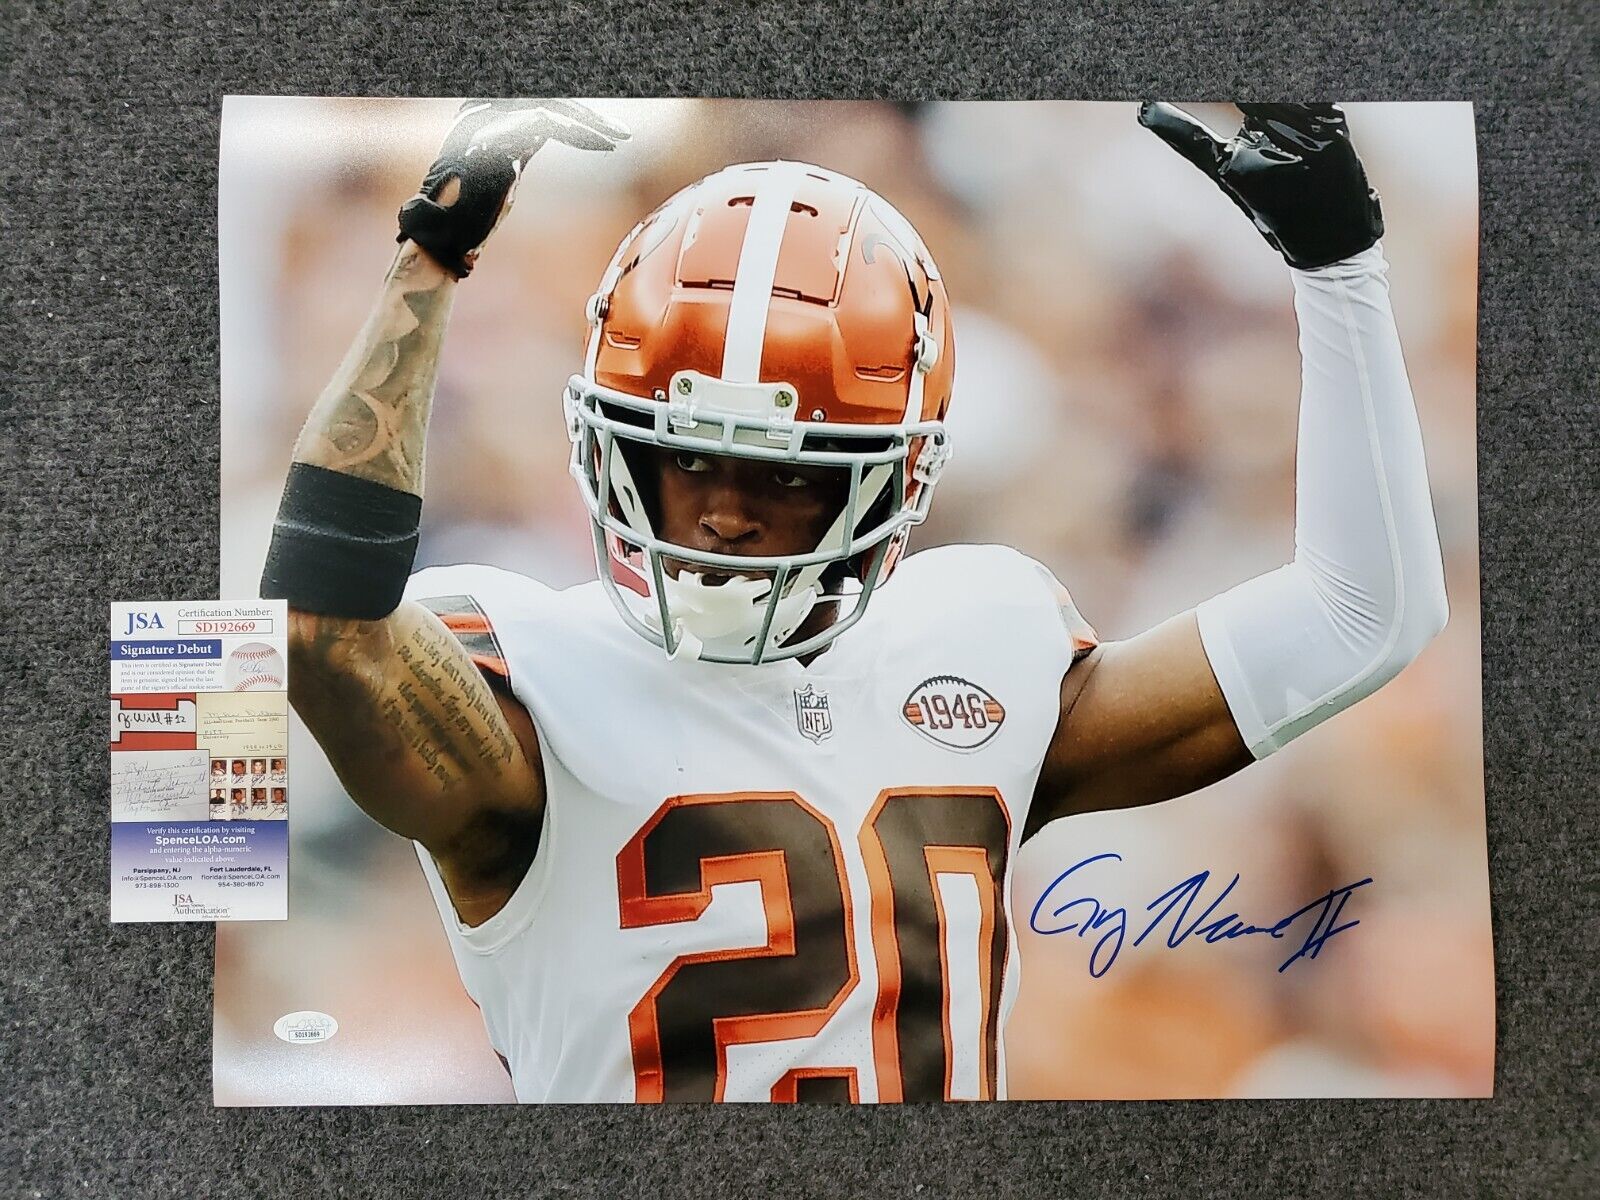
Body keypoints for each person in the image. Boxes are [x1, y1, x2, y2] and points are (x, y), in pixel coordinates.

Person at [262, 100, 1447, 1103]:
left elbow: (1361, 615)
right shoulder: (534, 680)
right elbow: (321, 627)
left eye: (787, 473)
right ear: (613, 447)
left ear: (892, 477)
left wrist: (1339, 271)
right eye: (684, 454)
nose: (724, 513)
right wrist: (428, 263)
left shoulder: (977, 650)